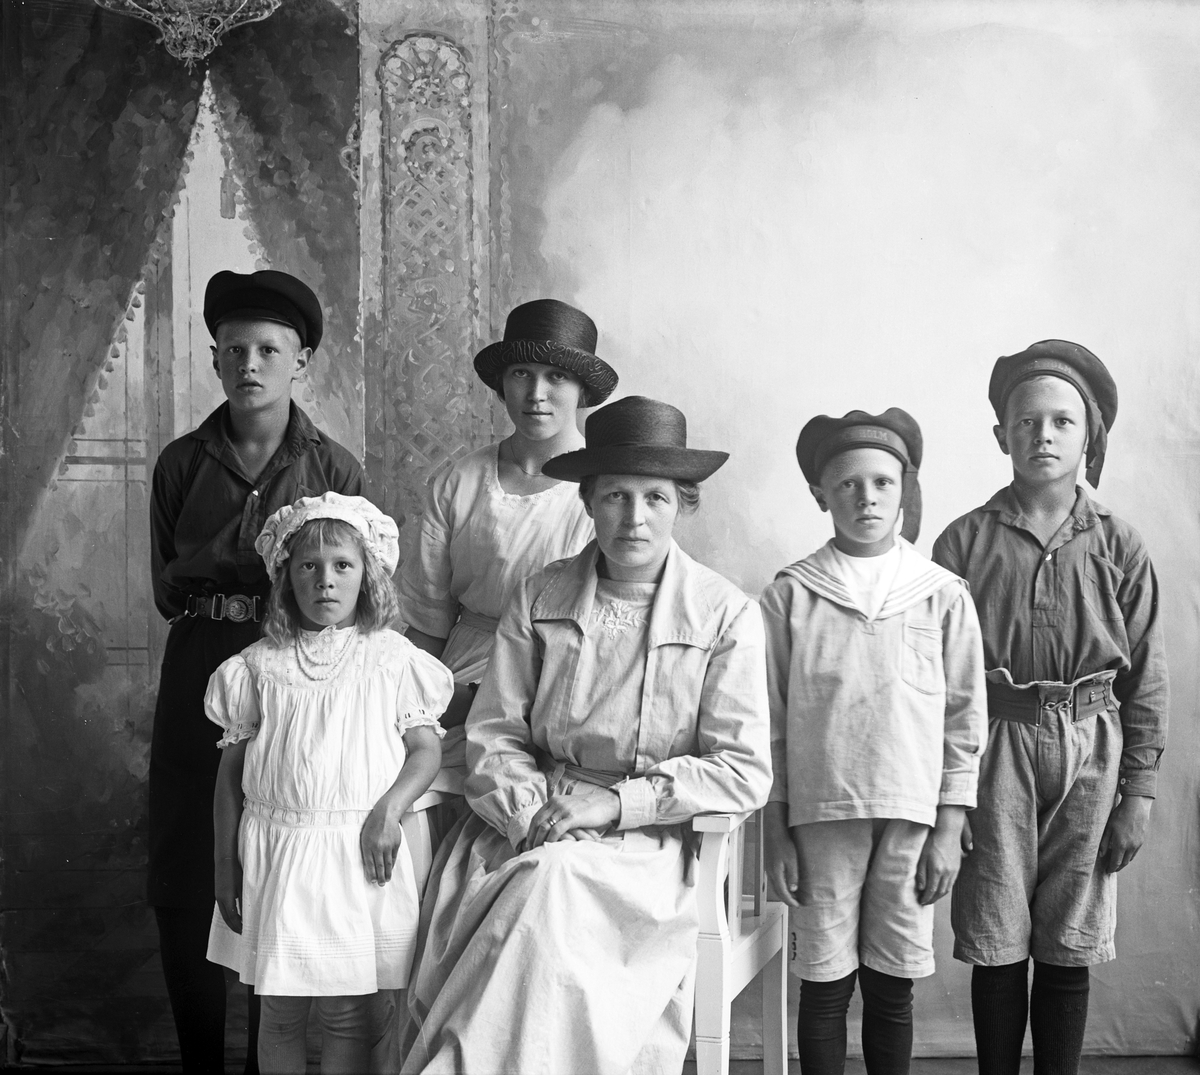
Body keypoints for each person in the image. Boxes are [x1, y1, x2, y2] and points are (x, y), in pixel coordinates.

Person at [401, 395, 772, 1075]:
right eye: (615, 496)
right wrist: (532, 817)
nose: (634, 517)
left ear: (682, 505)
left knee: (553, 885)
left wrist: (616, 804)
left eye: (655, 497)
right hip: (530, 824)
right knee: (545, 877)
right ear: (589, 501)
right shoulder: (539, 596)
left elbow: (742, 768)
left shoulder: (723, 614)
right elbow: (494, 733)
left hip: (651, 847)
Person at [148, 270, 365, 1073]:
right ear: (214, 359)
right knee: (184, 861)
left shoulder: (334, 468)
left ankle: (264, 1064)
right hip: (201, 659)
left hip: (297, 670)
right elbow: (166, 587)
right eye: (234, 349)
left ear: (300, 360)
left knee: (278, 852)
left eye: (269, 350)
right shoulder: (180, 464)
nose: (250, 364)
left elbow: (353, 588)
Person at [932, 341, 1169, 1075]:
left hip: (1092, 749)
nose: (1043, 435)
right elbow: (933, 677)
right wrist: (946, 796)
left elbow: (1146, 677)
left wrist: (1138, 794)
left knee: (1070, 939)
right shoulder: (962, 542)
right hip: (992, 747)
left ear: (1089, 436)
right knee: (997, 934)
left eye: (1063, 421)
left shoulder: (1119, 544)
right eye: (1026, 421)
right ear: (1000, 434)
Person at [761, 409, 988, 1075]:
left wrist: (950, 824)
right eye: (849, 484)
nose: (867, 498)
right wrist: (776, 829)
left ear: (904, 489)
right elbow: (768, 721)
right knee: (825, 985)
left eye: (883, 483)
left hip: (911, 816)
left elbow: (964, 716)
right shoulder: (791, 595)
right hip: (819, 818)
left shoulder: (941, 595)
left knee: (892, 988)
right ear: (821, 495)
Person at [206, 493, 453, 1074]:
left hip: (358, 851)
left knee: (347, 1012)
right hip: (279, 852)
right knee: (279, 1012)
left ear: (367, 574)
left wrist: (389, 810)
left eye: (343, 565)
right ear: (285, 577)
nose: (325, 580)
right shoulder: (257, 666)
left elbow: (425, 751)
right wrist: (224, 866)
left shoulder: (391, 658)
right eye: (308, 566)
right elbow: (229, 778)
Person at [397, 298, 617, 765]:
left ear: (581, 389)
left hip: (563, 685)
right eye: (521, 374)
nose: (536, 393)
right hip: (460, 682)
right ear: (501, 385)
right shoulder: (461, 480)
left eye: (556, 377)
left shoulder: (607, 491)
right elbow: (429, 623)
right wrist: (413, 704)